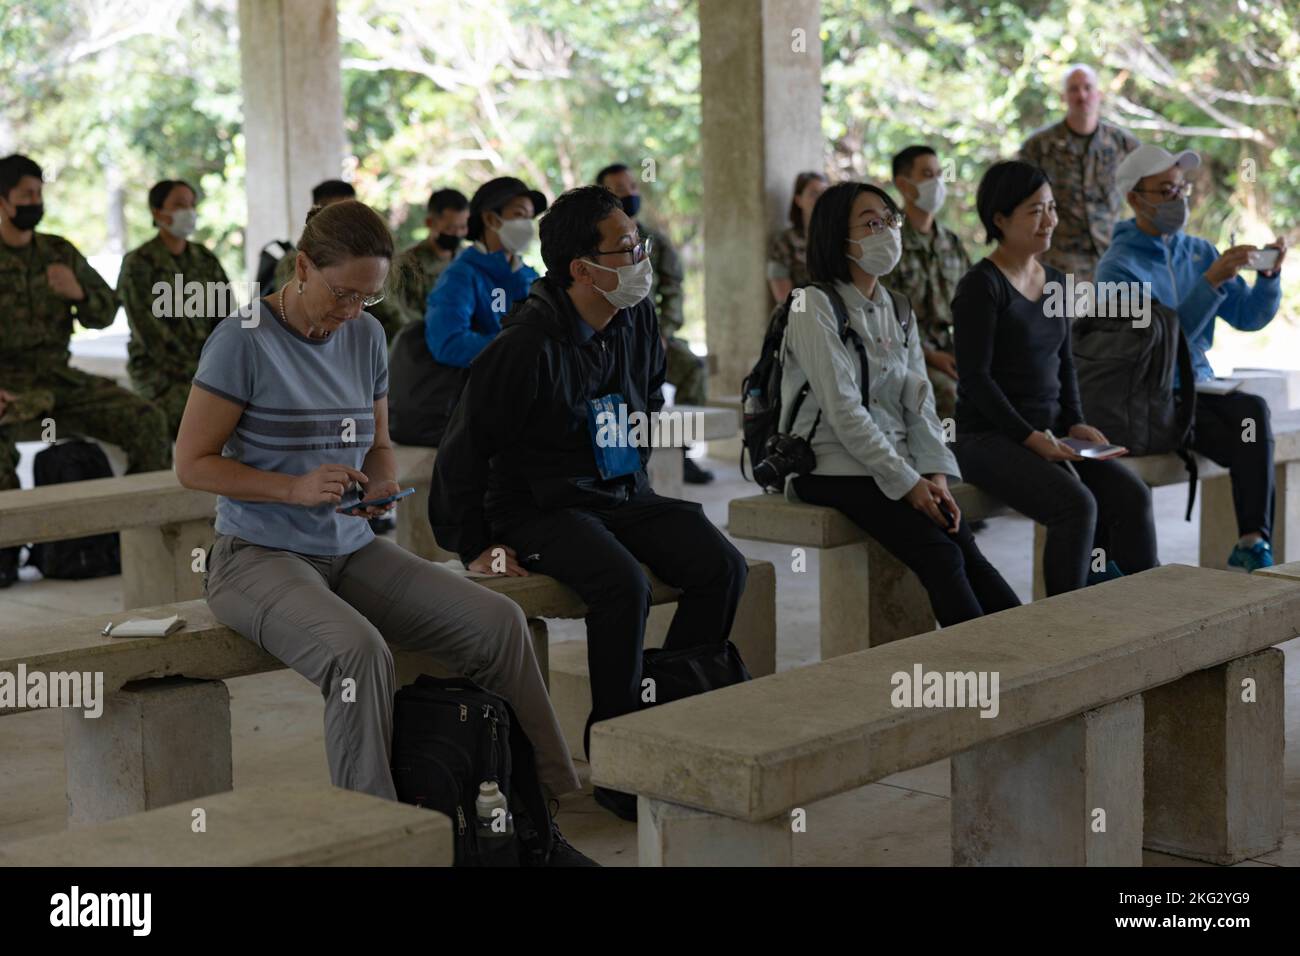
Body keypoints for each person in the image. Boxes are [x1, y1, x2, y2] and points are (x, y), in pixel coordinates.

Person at [178, 199, 592, 865]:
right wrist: (292, 487)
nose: (351, 312)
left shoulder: (366, 335)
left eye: (366, 299)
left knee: (498, 624)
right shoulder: (243, 338)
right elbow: (191, 465)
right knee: (356, 654)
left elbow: (380, 445)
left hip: (351, 546)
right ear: (304, 266)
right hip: (255, 555)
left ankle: (536, 816)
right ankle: (379, 845)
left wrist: (376, 483)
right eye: (342, 294)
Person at [429, 185, 749, 823]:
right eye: (626, 249)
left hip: (620, 490)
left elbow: (642, 401)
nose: (641, 260)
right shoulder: (522, 348)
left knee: (722, 566)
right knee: (621, 584)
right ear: (581, 269)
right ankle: (615, 755)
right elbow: (462, 453)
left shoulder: (635, 319)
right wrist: (475, 544)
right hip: (537, 506)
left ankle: (665, 710)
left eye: (640, 246)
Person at [781, 180, 1019, 627]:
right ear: (836, 235)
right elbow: (843, 410)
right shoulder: (811, 305)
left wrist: (934, 473)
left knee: (965, 546)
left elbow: (920, 402)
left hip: (892, 463)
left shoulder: (898, 307)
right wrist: (906, 481)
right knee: (940, 555)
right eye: (871, 223)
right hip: (829, 466)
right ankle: (984, 675)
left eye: (890, 221)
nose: (886, 231)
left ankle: (1033, 659)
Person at [952, 160, 1158, 595]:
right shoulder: (980, 287)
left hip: (1052, 432)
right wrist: (1030, 438)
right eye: (1034, 211)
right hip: (989, 438)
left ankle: (1145, 608)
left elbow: (1064, 363)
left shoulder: (1058, 283)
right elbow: (975, 379)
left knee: (1132, 494)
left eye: (1051, 207)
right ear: (1000, 219)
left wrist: (1077, 421)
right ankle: (1065, 627)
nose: (1049, 220)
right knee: (1076, 506)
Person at [1096, 144, 1287, 572]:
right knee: (1247, 415)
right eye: (1164, 190)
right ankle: (1113, 570)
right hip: (1145, 400)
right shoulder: (1117, 268)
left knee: (1251, 417)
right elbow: (1157, 345)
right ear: (1135, 199)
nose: (1177, 198)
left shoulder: (1198, 251)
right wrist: (1210, 282)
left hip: (1195, 393)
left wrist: (1269, 280)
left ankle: (1252, 543)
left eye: (1180, 188)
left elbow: (1249, 317)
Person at [0, 153, 170, 588]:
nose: (36, 202)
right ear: (2, 202)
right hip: (8, 387)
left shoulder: (57, 251)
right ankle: (7, 554)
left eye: (39, 193)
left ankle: (138, 534)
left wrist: (77, 292)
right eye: (26, 195)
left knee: (146, 421)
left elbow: (105, 310)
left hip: (60, 383)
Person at [596, 161, 712, 484]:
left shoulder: (653, 241)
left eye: (633, 187)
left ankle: (682, 453)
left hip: (654, 336)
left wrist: (665, 331)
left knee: (692, 368)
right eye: (620, 190)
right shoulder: (593, 242)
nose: (630, 194)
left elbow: (673, 289)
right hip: (609, 336)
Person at [116, 179, 230, 435]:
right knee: (199, 417)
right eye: (179, 205)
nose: (188, 212)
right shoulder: (138, 264)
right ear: (158, 213)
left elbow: (225, 319)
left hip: (207, 367)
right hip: (159, 374)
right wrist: (200, 372)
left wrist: (218, 366)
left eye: (191, 205)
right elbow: (150, 335)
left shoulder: (204, 259)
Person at [1020, 65, 1139, 283]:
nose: (1081, 95)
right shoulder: (1039, 147)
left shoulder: (1122, 144)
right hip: (1059, 261)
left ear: (1099, 94)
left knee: (1112, 317)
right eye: (1074, 89)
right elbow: (1022, 204)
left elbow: (1148, 195)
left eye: (1088, 88)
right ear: (1063, 97)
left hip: (1112, 258)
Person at [890, 145, 970, 422]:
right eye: (927, 174)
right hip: (905, 352)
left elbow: (972, 303)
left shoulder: (951, 243)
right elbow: (880, 315)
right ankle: (946, 464)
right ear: (903, 184)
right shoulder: (889, 242)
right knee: (951, 394)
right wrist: (931, 355)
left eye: (939, 174)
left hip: (953, 348)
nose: (936, 182)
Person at [388, 187, 469, 325]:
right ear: (430, 223)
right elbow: (401, 315)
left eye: (463, 227)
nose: (458, 234)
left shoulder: (469, 260)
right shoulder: (407, 264)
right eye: (450, 228)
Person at [768, 171, 828, 304]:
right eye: (813, 193)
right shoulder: (784, 242)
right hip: (804, 318)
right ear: (798, 200)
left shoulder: (840, 239)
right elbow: (785, 299)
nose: (820, 198)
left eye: (824, 193)